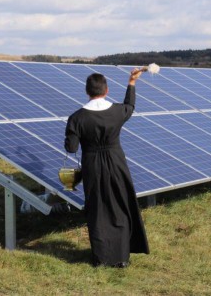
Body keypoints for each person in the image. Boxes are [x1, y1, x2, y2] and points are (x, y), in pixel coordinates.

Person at [64, 68, 150, 267]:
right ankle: (121, 257)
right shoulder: (117, 112)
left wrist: (71, 136)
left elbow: (72, 148)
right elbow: (130, 105)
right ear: (106, 90)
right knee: (120, 204)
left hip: (92, 165)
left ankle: (101, 258)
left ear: (87, 91)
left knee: (97, 208)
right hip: (117, 162)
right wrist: (131, 82)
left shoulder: (76, 118)